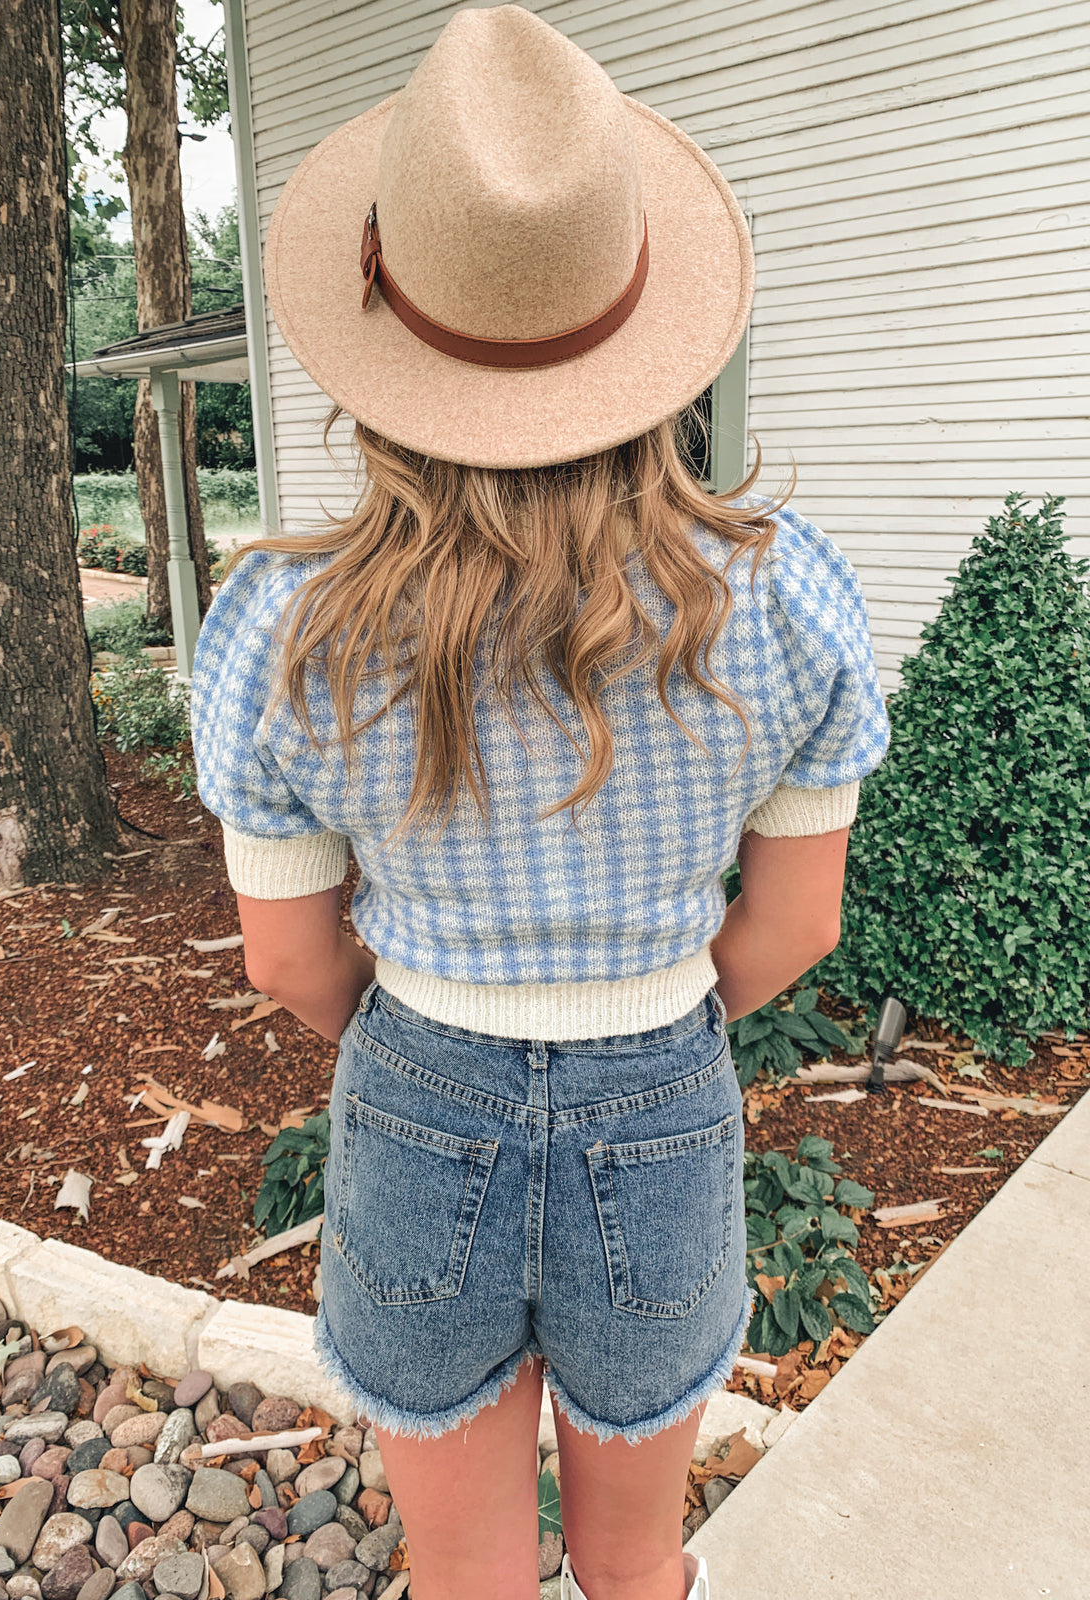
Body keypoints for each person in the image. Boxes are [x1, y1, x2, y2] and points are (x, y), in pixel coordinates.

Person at [189, 8, 891, 1599]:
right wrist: (644, 1021)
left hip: (419, 1085)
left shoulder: (284, 629)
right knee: (638, 1570)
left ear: (384, 345)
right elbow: (795, 923)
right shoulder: (782, 600)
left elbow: (293, 967)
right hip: (662, 1090)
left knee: (468, 1578)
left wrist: (439, 1036)